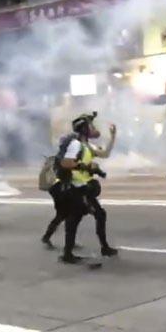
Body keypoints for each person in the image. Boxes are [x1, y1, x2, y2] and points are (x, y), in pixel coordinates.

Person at [45, 113, 117, 264]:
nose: (94, 128)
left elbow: (105, 154)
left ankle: (68, 254)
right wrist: (85, 166)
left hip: (83, 188)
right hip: (77, 189)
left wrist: (112, 137)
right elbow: (66, 163)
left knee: (75, 218)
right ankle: (102, 248)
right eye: (91, 125)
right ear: (84, 128)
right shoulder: (76, 145)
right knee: (96, 215)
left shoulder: (87, 146)